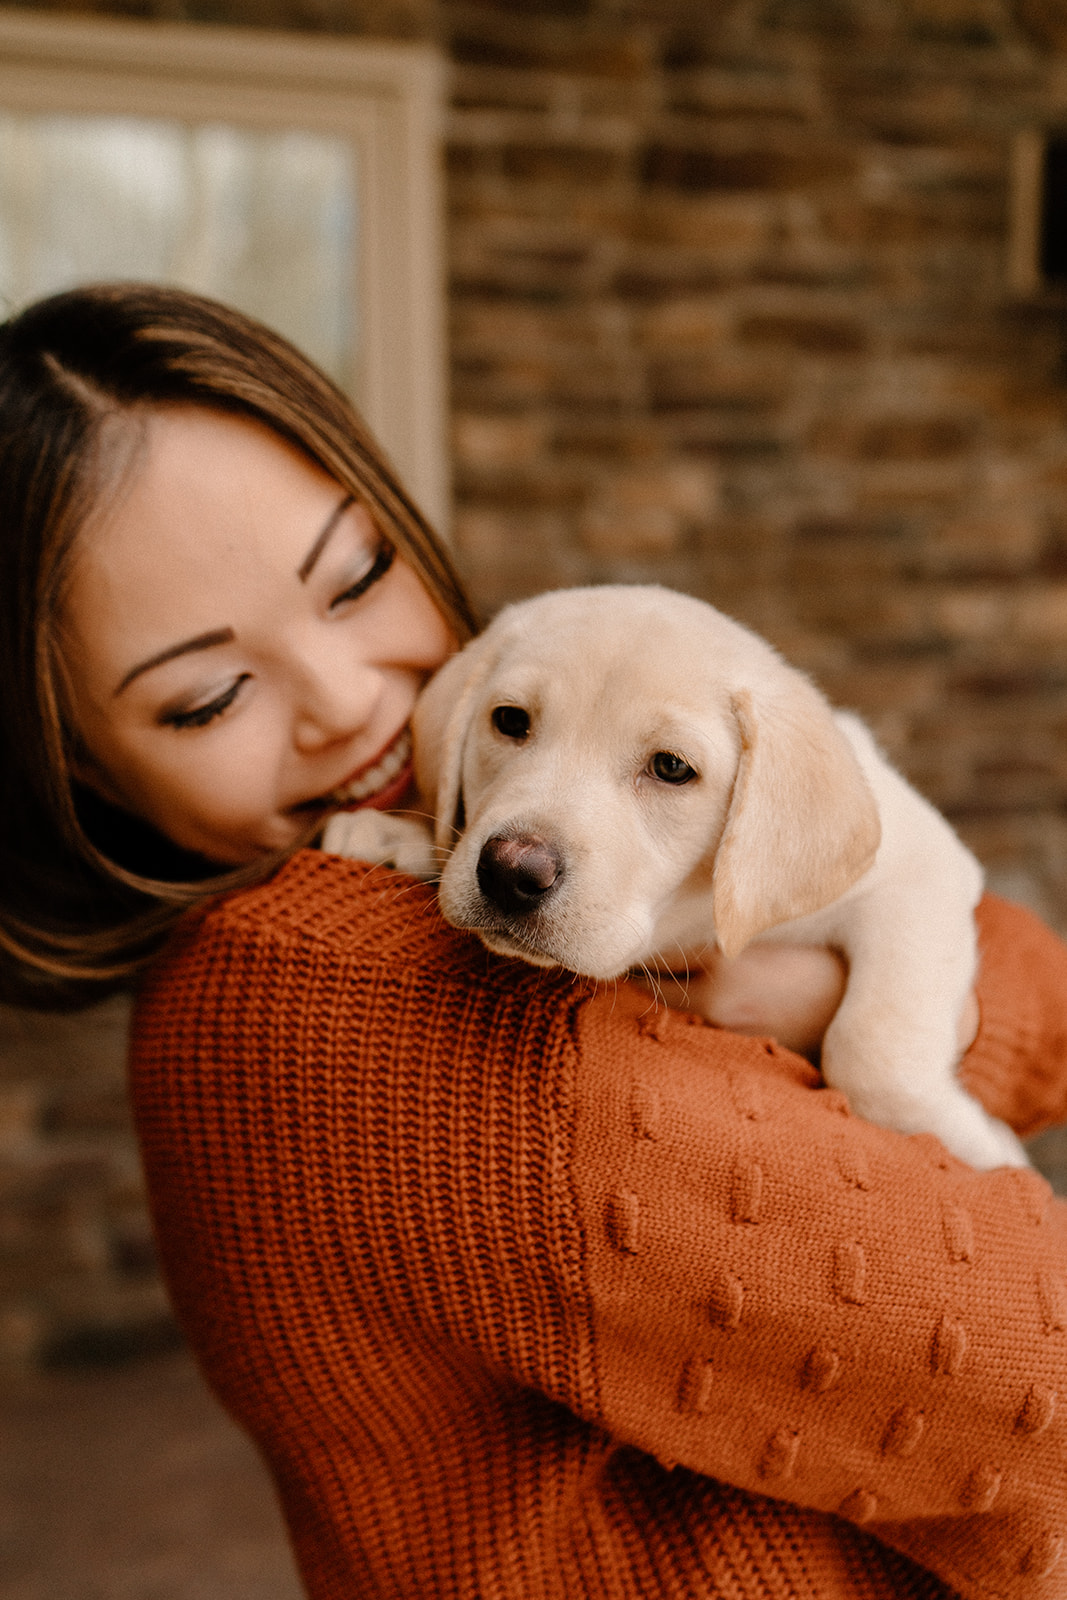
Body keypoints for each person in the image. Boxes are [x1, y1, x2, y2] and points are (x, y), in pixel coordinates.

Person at [2, 282, 1065, 1600]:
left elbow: (1017, 966)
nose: (350, 706)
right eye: (207, 694)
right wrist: (894, 1030)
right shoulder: (311, 995)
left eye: (359, 577)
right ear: (80, 772)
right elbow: (1039, 1370)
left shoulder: (496, 765)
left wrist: (796, 999)